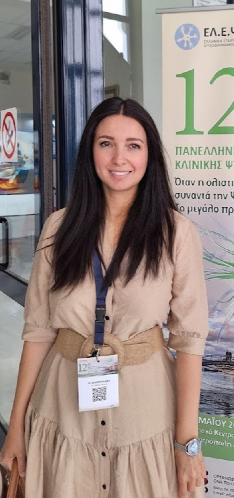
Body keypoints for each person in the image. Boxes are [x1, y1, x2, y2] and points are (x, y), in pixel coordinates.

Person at [0, 98, 209, 498]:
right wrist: (16, 428)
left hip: (146, 417)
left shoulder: (176, 233)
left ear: (149, 155)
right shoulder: (58, 228)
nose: (119, 158)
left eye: (134, 145)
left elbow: (189, 340)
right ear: (90, 152)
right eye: (106, 143)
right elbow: (38, 332)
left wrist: (187, 443)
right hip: (61, 412)